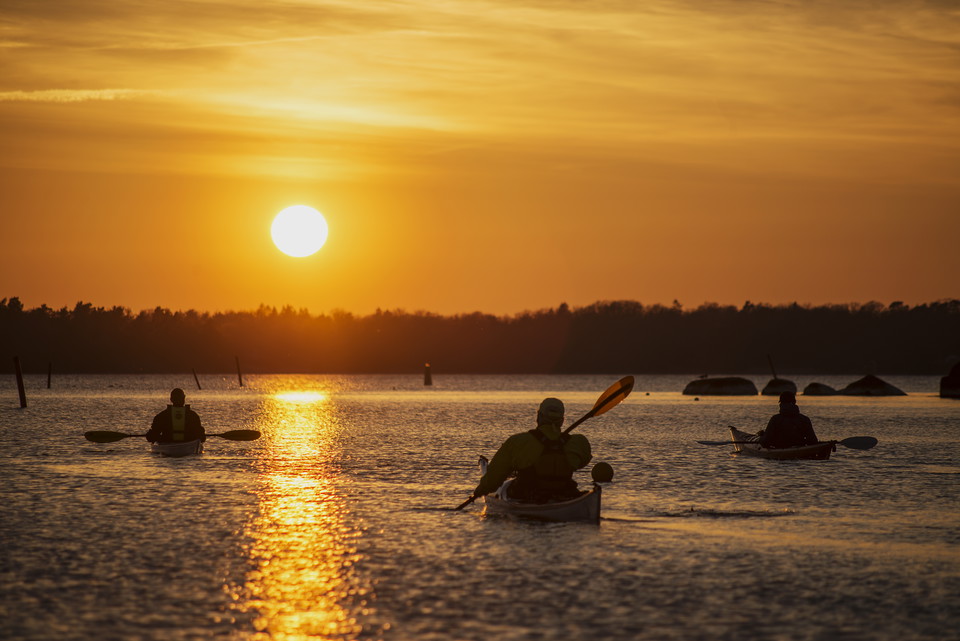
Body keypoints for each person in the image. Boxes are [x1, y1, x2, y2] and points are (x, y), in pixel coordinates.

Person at [472, 397, 592, 503]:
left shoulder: (518, 442)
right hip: (565, 494)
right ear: (562, 420)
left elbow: (493, 479)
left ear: (539, 416)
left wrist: (480, 491)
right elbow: (582, 462)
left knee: (507, 488)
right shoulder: (578, 442)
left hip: (528, 497)